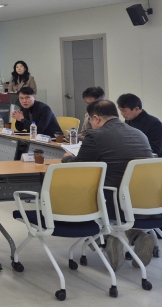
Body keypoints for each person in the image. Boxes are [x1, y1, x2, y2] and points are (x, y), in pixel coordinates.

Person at [62, 100, 154, 270]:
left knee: (75, 199)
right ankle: (138, 236)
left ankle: (107, 241)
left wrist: (67, 158)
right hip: (146, 201)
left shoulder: (95, 136)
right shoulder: (139, 134)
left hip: (114, 202)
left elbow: (79, 167)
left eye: (90, 120)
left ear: (96, 118)